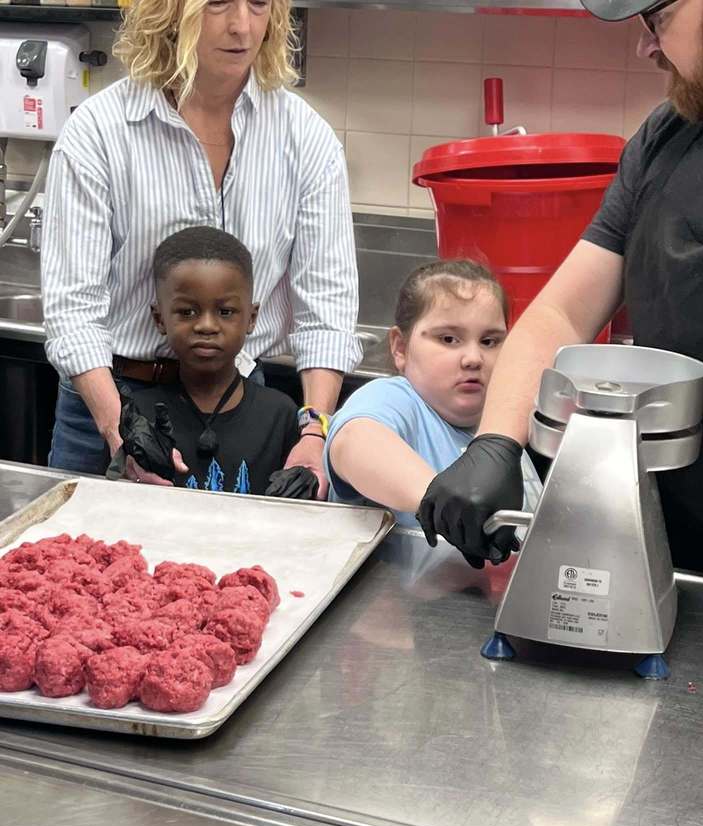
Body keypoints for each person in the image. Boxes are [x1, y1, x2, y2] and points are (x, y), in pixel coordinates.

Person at [417, 2, 703, 584]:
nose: (646, 46)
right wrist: (497, 442)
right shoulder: (665, 136)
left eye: (656, 19)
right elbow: (562, 311)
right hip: (668, 541)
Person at [42, 0, 358, 497]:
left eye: (258, 4)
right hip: (112, 397)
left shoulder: (306, 139)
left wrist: (315, 432)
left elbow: (327, 312)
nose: (242, 26)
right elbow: (72, 311)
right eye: (217, 4)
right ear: (169, 12)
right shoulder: (99, 132)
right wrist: (118, 431)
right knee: (90, 549)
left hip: (241, 406)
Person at [324, 261, 541, 559]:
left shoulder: (503, 426)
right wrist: (445, 501)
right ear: (400, 347)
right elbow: (354, 440)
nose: (473, 358)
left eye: (489, 341)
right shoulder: (396, 398)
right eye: (448, 339)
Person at [116, 225, 308, 495]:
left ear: (251, 318)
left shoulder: (280, 415)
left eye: (225, 312)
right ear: (159, 319)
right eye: (187, 312)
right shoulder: (140, 415)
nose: (206, 326)